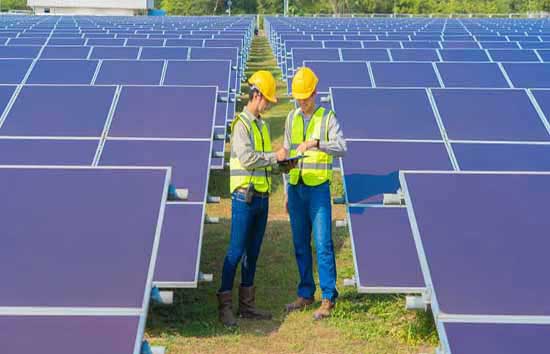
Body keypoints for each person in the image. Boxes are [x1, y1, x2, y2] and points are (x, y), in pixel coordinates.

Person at [217, 70, 287, 327]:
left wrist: (283, 164)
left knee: (252, 253)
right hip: (243, 198)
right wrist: (273, 157)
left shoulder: (261, 125)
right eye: (266, 98)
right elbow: (247, 158)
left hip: (262, 197)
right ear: (256, 95)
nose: (268, 104)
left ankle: (246, 306)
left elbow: (264, 160)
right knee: (235, 251)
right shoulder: (241, 125)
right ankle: (224, 306)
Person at [283, 66, 347, 320]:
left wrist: (318, 143)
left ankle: (328, 296)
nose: (302, 101)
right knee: (300, 244)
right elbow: (287, 153)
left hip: (318, 190)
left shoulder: (327, 117)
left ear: (315, 93)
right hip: (297, 189)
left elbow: (342, 147)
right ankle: (306, 292)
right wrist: (287, 190)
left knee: (322, 244)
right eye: (298, 97)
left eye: (306, 96)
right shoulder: (291, 118)